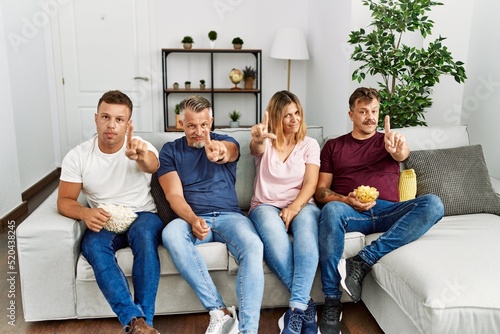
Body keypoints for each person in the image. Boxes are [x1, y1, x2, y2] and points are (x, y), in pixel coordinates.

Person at [314, 87, 444, 334]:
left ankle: (363, 260)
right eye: (363, 111)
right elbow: (321, 192)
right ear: (351, 114)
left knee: (433, 204)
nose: (370, 117)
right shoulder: (333, 146)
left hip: (387, 211)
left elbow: (402, 153)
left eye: (374, 111)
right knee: (330, 210)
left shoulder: (388, 141)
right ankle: (332, 301)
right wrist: (346, 200)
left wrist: (398, 150)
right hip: (350, 212)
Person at [57, 90, 163, 334]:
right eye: (106, 117)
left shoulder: (141, 147)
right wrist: (84, 214)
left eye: (119, 119)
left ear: (128, 124)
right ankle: (136, 321)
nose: (111, 125)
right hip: (105, 219)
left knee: (145, 237)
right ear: (96, 119)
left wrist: (140, 157)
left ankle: (144, 320)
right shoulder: (78, 156)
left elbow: (152, 164)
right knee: (92, 245)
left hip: (143, 215)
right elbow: (64, 200)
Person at [158, 95, 264, 334]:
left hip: (230, 217)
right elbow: (173, 195)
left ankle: (249, 330)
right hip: (193, 219)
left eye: (204, 125)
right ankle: (220, 311)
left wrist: (219, 152)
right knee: (171, 234)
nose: (198, 131)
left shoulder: (225, 141)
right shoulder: (170, 151)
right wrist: (193, 219)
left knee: (254, 247)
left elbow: (230, 151)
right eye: (192, 125)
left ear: (212, 122)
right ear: (180, 123)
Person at [248, 91, 321, 334]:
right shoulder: (266, 141)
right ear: (276, 118)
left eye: (297, 113)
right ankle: (307, 307)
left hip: (301, 204)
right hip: (265, 205)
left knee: (307, 238)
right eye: (287, 115)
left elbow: (311, 184)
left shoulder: (310, 144)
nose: (294, 119)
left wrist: (294, 207)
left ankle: (295, 311)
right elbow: (255, 145)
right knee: (276, 242)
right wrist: (258, 137)